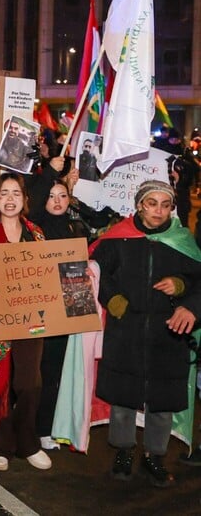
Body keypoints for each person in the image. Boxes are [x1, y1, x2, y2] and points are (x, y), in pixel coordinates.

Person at [91, 180, 201, 487]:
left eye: (165, 205)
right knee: (123, 401)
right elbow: (97, 271)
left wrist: (184, 293)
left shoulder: (182, 240)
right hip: (126, 330)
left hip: (169, 335)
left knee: (162, 403)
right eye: (152, 203)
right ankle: (123, 451)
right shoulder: (119, 238)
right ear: (139, 205)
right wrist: (112, 298)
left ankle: (155, 455)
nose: (159, 211)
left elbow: (198, 281)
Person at [0, 173, 51, 472]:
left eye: (16, 193)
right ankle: (1, 445)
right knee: (0, 383)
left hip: (31, 319)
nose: (10, 199)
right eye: (4, 193)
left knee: (29, 382)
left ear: (25, 200)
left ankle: (27, 441)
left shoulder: (36, 234)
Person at [27, 159, 89, 451]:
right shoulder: (34, 225)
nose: (57, 201)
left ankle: (45, 429)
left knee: (54, 372)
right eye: (51, 196)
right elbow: (36, 198)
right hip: (36, 308)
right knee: (32, 373)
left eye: (62, 196)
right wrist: (52, 172)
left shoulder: (76, 227)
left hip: (64, 311)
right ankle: (26, 426)